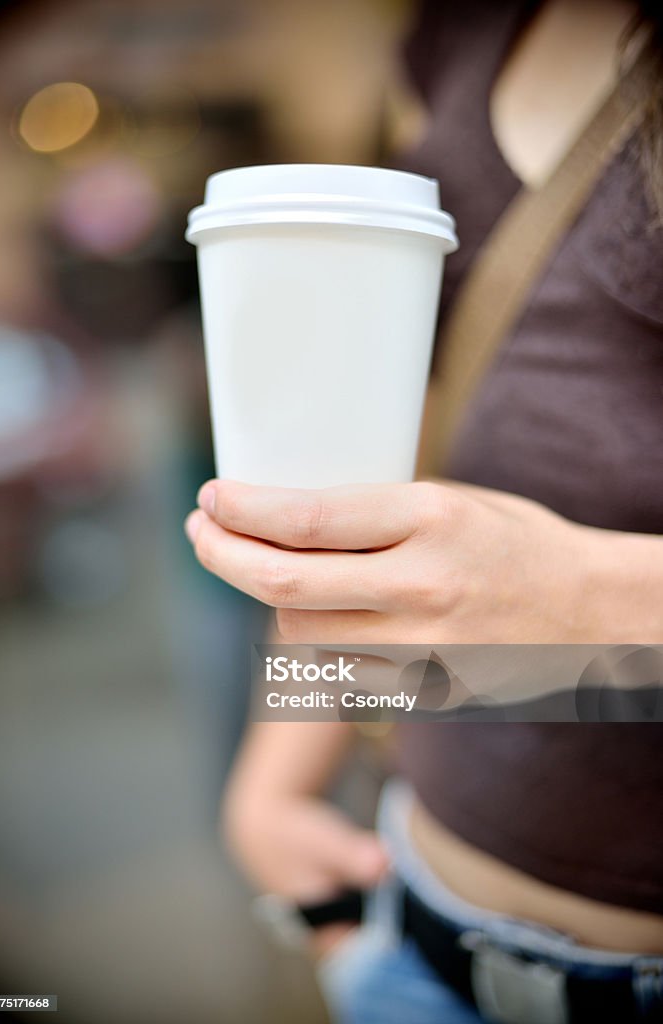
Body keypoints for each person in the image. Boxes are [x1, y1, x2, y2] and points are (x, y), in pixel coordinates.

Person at [184, 1, 663, 1021]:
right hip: (410, 940)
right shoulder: (459, 32)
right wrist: (277, 779)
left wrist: (586, 589)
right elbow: (378, 452)